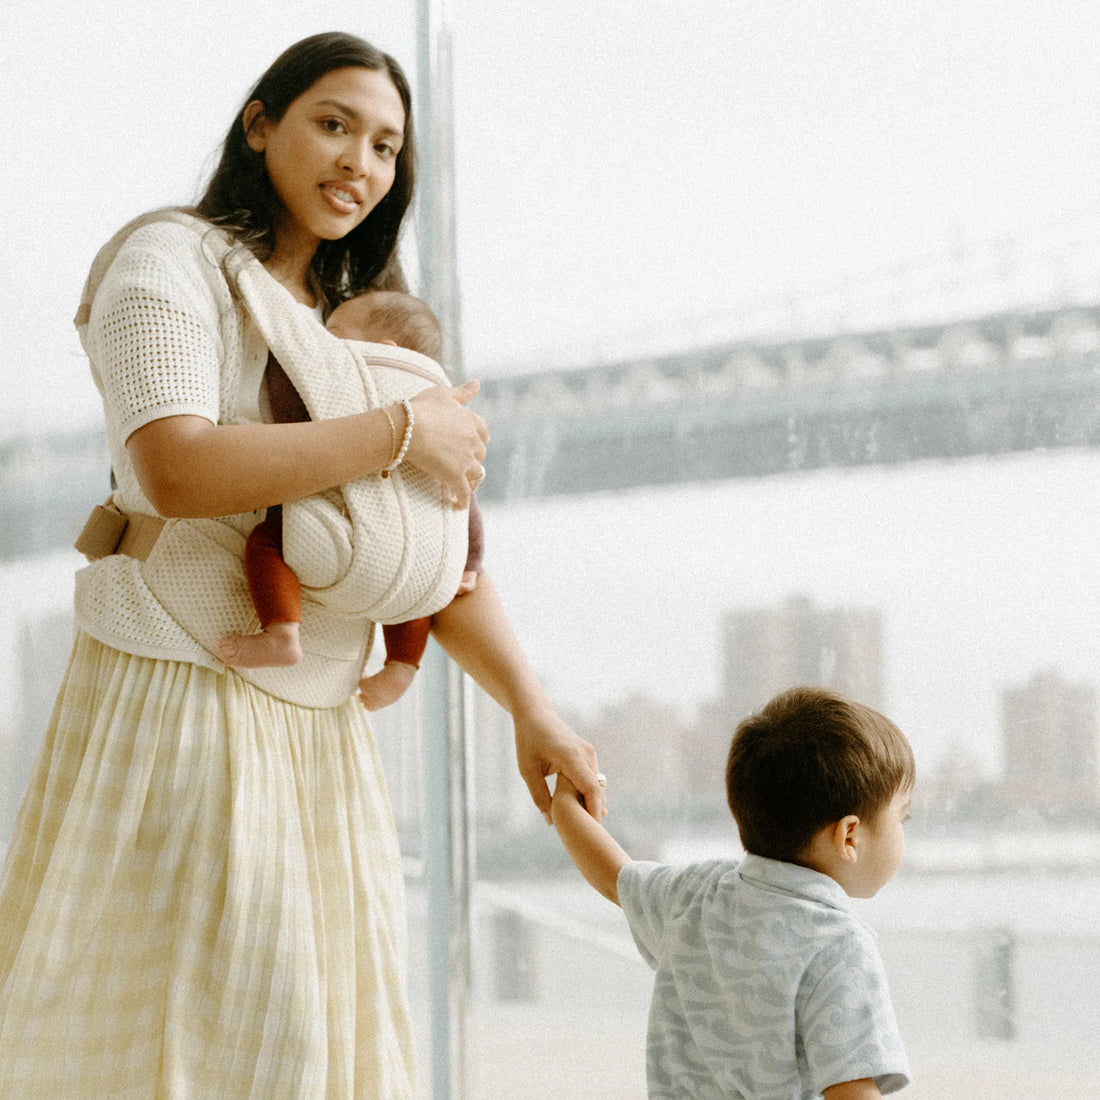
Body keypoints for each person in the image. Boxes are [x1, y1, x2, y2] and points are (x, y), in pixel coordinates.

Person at [0, 31, 604, 1098]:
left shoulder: (356, 322)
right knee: (190, 1042)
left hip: (319, 735)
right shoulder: (168, 259)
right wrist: (397, 430)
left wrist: (528, 706)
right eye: (334, 123)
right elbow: (174, 466)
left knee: (315, 1055)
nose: (359, 163)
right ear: (260, 123)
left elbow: (430, 553)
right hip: (184, 694)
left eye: (385, 146)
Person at [552, 686, 914, 1099]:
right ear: (849, 835)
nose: (905, 832)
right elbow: (852, 1091)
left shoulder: (696, 895)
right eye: (903, 817)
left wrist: (567, 792)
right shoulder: (839, 947)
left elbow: (612, 873)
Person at [218, 288, 487, 713]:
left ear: (383, 350)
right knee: (418, 555)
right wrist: (469, 563)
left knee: (269, 541)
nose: (325, 342)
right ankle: (402, 664)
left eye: (334, 333)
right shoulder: (444, 413)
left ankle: (282, 633)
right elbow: (464, 495)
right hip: (415, 578)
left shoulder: (344, 384)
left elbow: (288, 418)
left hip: (334, 549)